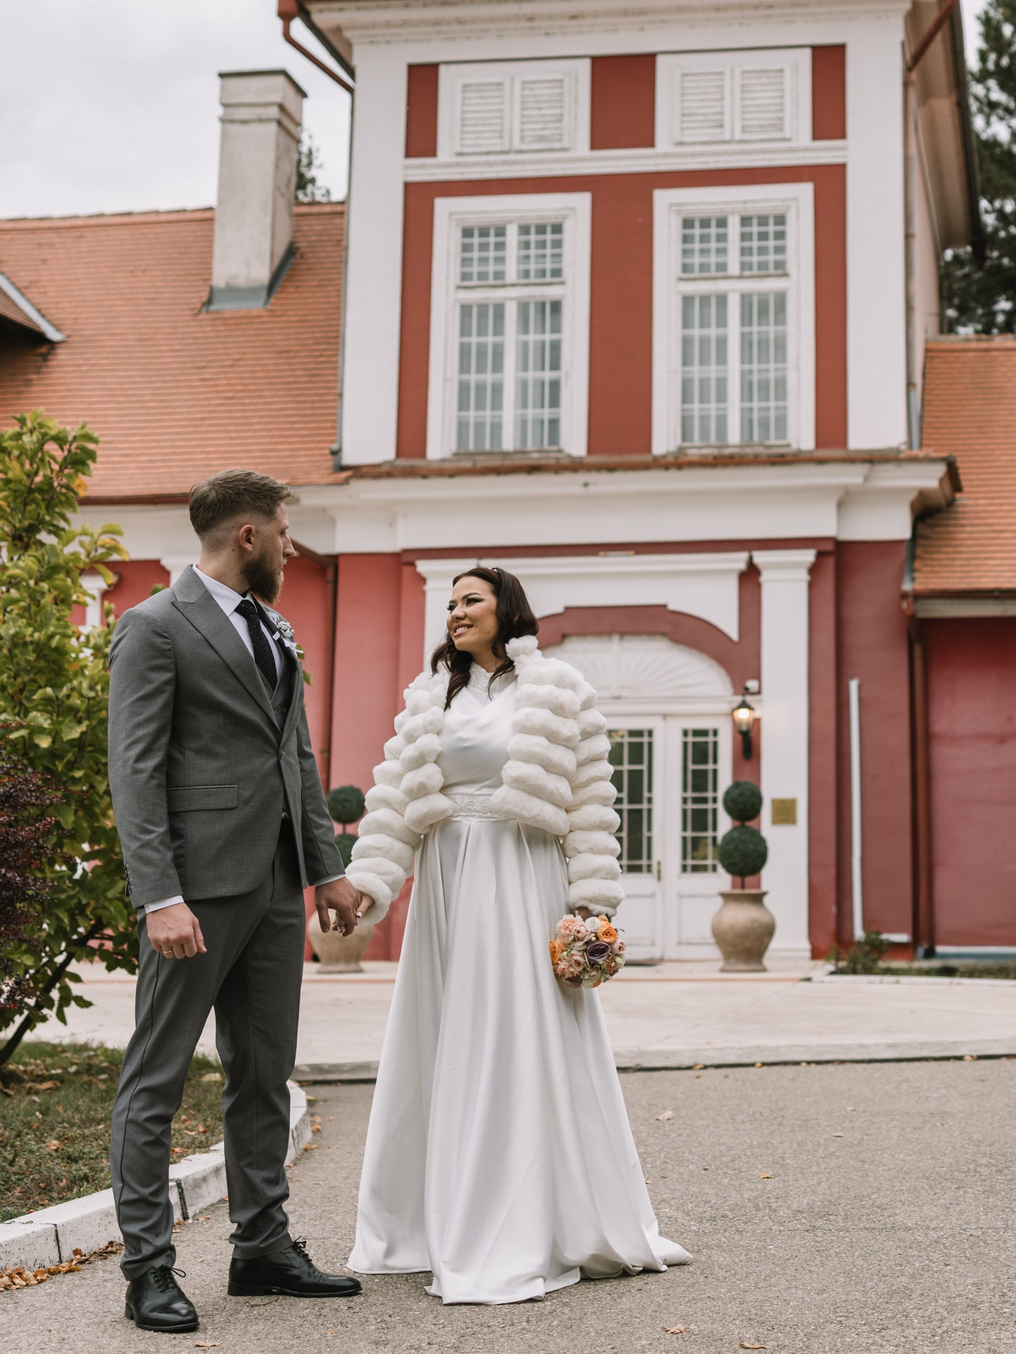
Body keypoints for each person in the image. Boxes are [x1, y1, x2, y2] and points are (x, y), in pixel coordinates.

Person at [340, 565, 690, 1302]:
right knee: (448, 1038)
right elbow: (395, 799)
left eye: (472, 600)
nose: (457, 612)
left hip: (524, 873)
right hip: (446, 881)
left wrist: (593, 908)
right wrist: (369, 883)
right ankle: (429, 1227)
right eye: (451, 602)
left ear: (507, 610)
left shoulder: (559, 689)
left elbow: (592, 799)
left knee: (523, 1037)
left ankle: (538, 1219)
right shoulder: (429, 694)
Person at [106, 469, 369, 1334]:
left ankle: (262, 1248)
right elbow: (135, 772)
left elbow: (296, 754)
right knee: (158, 1077)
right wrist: (159, 896)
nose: (294, 548)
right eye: (285, 533)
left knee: (263, 1074)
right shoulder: (152, 627)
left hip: (276, 887)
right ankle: (147, 1269)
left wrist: (325, 867)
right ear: (247, 536)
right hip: (194, 894)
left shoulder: (271, 629)